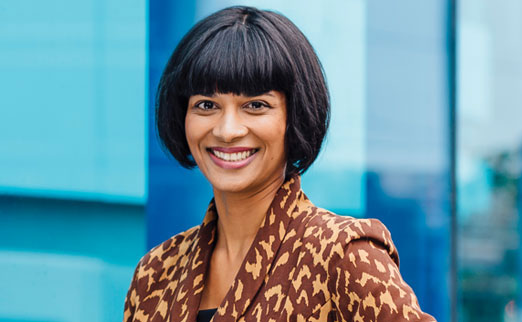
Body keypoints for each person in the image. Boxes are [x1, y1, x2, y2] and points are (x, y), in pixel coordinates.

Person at [124, 6, 436, 322]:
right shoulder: (157, 271)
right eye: (207, 105)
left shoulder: (343, 255)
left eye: (256, 106)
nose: (227, 130)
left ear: (295, 116)